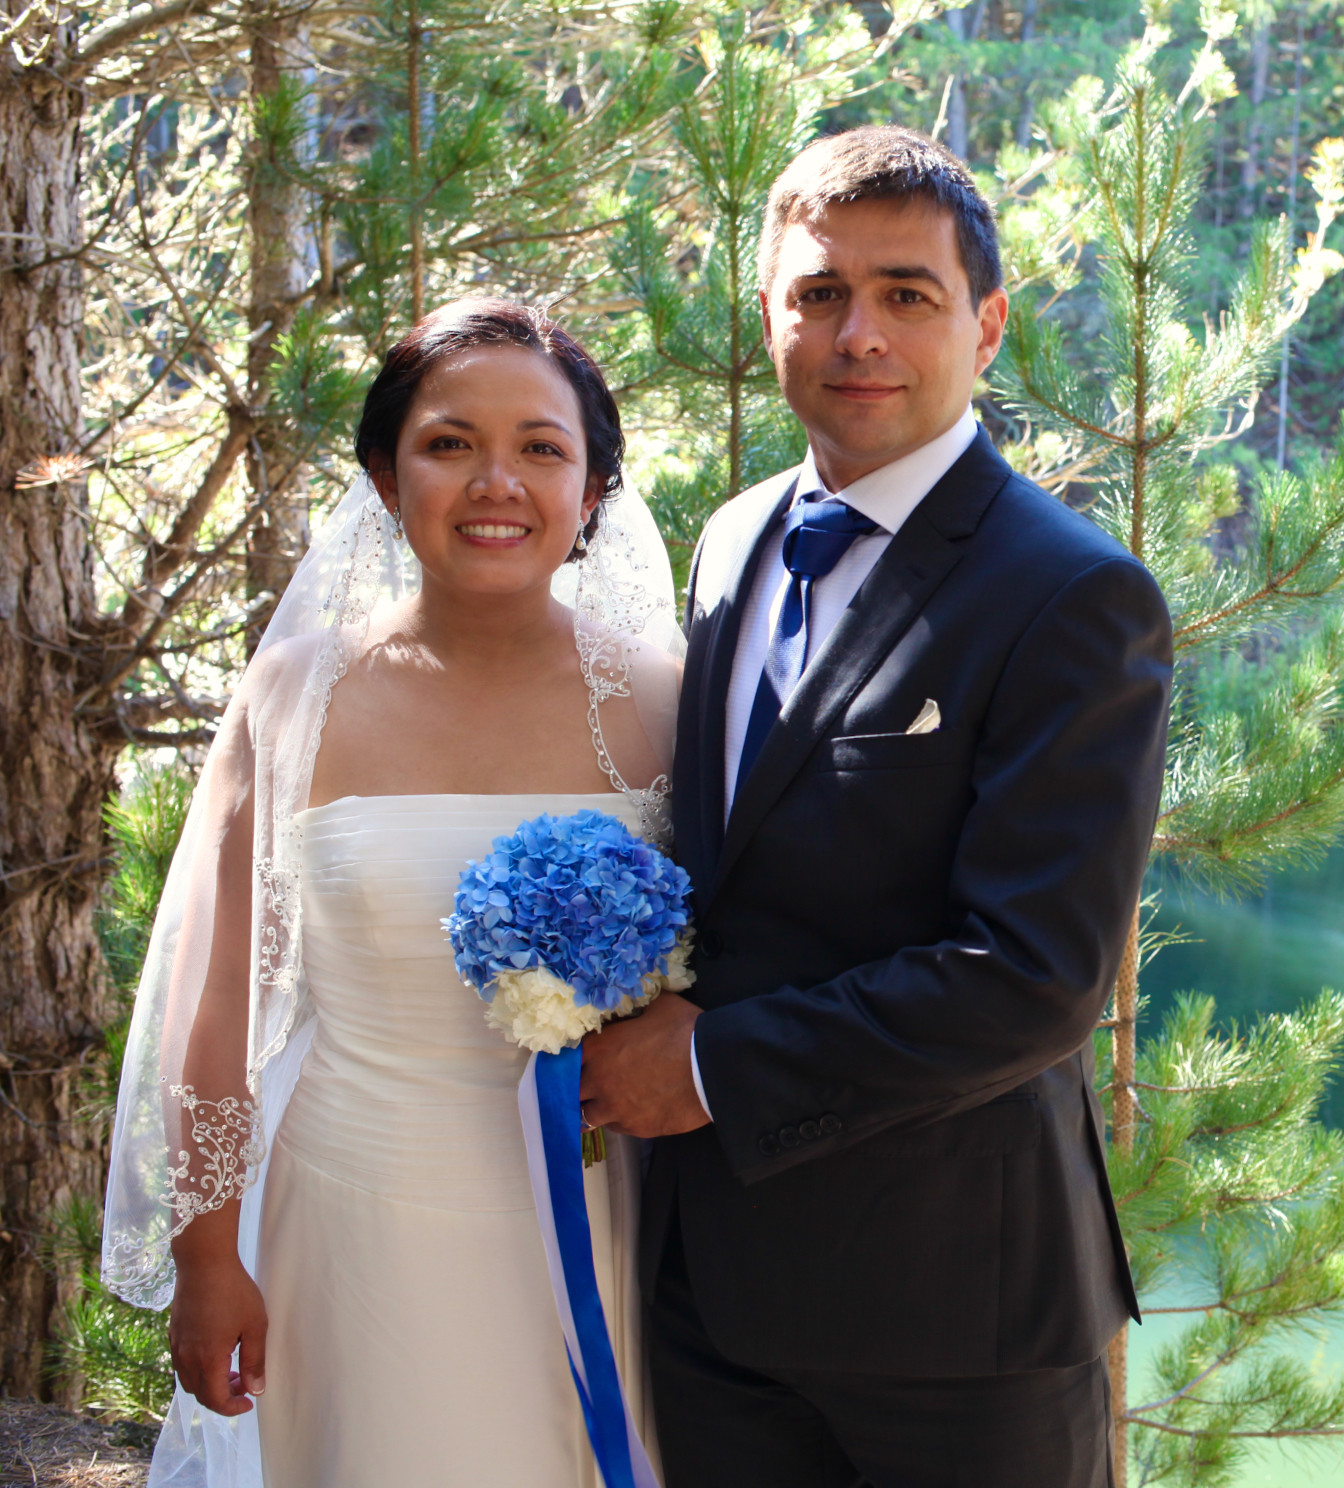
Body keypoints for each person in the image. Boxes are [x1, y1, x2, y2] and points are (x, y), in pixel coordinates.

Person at [579, 126, 1173, 1487]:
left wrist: (714, 1063)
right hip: (712, 1299)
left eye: (908, 294)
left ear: (989, 326)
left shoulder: (1071, 596)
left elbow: (1034, 976)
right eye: (819, 294)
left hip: (953, 1320)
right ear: (772, 317)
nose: (861, 334)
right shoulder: (733, 539)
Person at [100, 299, 681, 1488]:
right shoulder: (296, 693)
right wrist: (210, 1253)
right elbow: (217, 1001)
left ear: (593, 491)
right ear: (383, 475)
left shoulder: (666, 701)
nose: (494, 483)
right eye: (449, 443)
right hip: (357, 1215)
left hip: (598, 1220)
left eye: (540, 447)